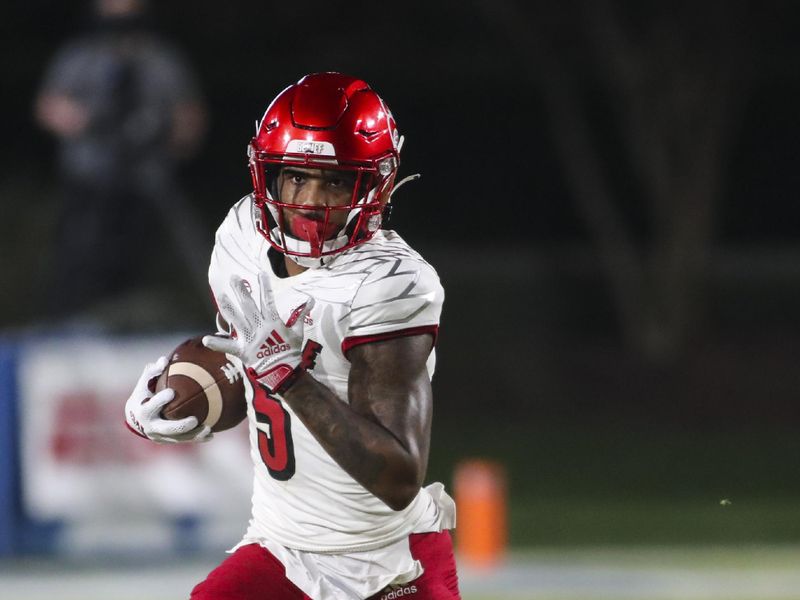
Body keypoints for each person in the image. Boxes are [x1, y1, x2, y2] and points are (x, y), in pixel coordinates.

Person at [125, 72, 460, 599]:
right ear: (269, 176)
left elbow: (398, 478)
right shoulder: (240, 239)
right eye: (297, 178)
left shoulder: (389, 284)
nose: (309, 201)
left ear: (377, 185)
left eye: (334, 182)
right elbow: (242, 361)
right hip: (281, 548)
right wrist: (180, 403)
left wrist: (288, 376)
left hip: (385, 563)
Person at [35, 0, 208, 318]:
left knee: (140, 260)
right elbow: (50, 106)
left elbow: (189, 118)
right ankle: (69, 321)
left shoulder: (161, 60)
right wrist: (85, 121)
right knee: (79, 257)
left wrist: (165, 135)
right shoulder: (81, 56)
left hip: (145, 181)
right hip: (89, 180)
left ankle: (135, 320)